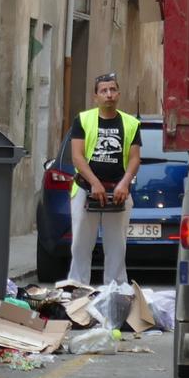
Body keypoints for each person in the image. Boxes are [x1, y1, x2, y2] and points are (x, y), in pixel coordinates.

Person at [66, 73, 141, 285]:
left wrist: (124, 184)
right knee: (81, 245)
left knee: (117, 246)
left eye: (112, 90)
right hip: (85, 190)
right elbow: (77, 156)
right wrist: (94, 183)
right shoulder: (83, 120)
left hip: (117, 194)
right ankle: (77, 290)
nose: (109, 94)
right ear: (95, 96)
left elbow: (135, 159)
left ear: (118, 93)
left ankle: (115, 293)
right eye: (103, 91)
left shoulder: (131, 124)